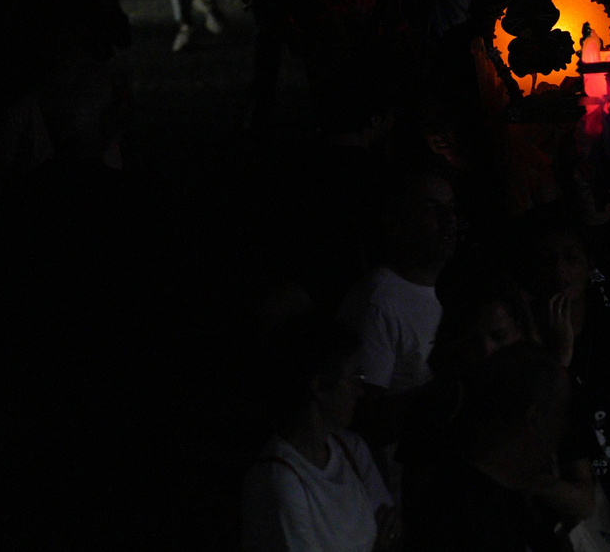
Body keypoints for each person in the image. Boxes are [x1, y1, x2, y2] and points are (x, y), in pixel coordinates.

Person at [403, 341, 577, 552]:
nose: (564, 428)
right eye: (559, 414)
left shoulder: (463, 483)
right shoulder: (471, 519)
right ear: (535, 418)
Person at [243, 317, 399, 552]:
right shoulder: (280, 479)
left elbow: (393, 528)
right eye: (353, 379)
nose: (360, 390)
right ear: (318, 387)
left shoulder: (352, 449)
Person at [340, 162, 459, 445]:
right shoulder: (379, 302)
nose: (448, 219)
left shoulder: (454, 289)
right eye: (430, 208)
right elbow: (362, 417)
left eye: (451, 207)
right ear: (396, 220)